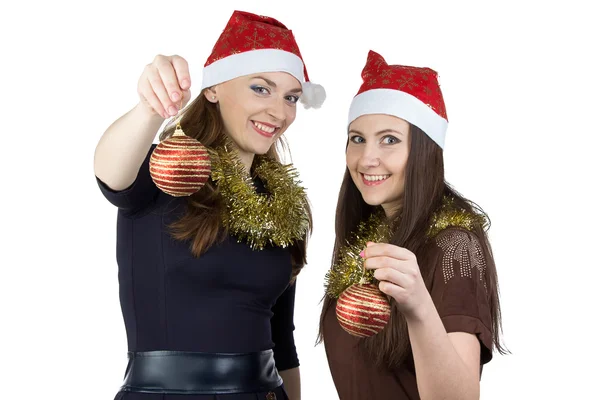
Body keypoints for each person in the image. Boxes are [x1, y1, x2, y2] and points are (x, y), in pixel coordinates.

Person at [94, 10, 325, 400]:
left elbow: (282, 340)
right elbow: (110, 173)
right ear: (214, 88)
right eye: (260, 88)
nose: (281, 112)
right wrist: (151, 106)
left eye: (291, 97)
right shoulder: (167, 172)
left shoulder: (283, 205)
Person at [319, 50, 505, 400]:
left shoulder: (455, 248)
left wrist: (418, 305)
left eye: (389, 139)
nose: (366, 158)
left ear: (424, 150)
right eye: (357, 138)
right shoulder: (368, 236)